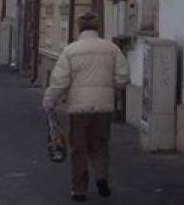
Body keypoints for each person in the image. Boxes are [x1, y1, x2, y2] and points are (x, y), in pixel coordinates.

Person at [43, 12, 129, 202]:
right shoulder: (111, 48)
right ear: (98, 27)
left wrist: (49, 101)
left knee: (79, 149)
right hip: (103, 108)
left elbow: (60, 81)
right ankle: (101, 177)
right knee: (100, 145)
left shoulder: (70, 51)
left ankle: (79, 190)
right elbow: (123, 77)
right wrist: (112, 88)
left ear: (79, 27)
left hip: (78, 109)